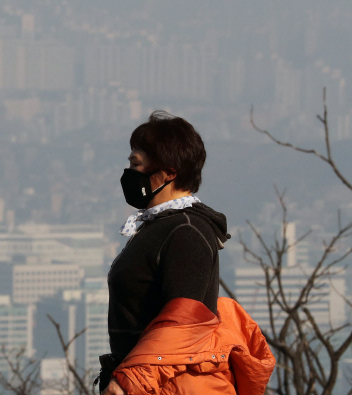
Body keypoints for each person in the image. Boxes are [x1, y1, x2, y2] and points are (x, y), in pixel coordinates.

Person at [98, 111, 275, 395]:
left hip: (173, 385)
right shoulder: (162, 227)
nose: (128, 173)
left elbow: (184, 323)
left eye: (136, 163)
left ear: (169, 172)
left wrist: (128, 382)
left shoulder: (186, 232)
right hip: (155, 382)